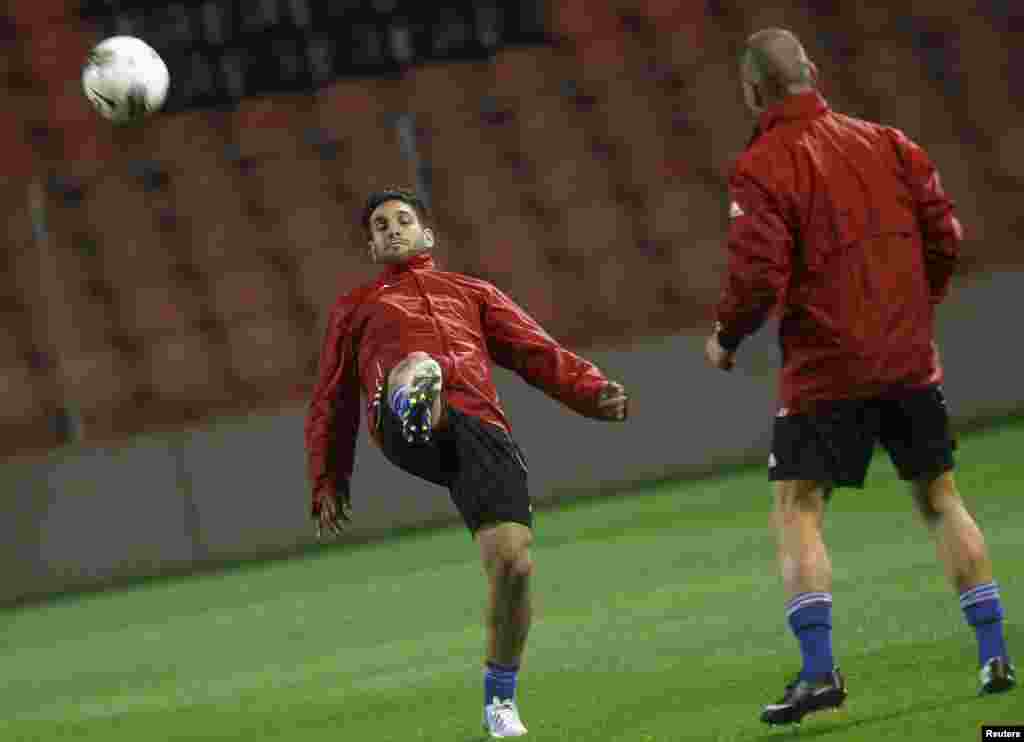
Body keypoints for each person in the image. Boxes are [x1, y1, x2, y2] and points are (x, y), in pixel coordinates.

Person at [705, 28, 1015, 726]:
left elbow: (756, 276)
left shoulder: (762, 165)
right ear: (811, 72)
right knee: (939, 496)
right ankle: (994, 654)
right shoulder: (889, 141)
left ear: (753, 92)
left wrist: (726, 338)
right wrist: (913, 309)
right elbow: (946, 236)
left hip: (826, 369)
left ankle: (819, 673)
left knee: (798, 505)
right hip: (908, 358)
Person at [305, 188, 629, 738]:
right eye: (380, 226)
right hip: (400, 416)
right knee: (417, 366)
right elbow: (332, 398)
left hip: (480, 431)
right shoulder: (357, 308)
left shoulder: (473, 294)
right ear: (371, 245)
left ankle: (499, 702)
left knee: (514, 566)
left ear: (427, 235)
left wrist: (591, 390)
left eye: (403, 220)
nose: (392, 229)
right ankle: (417, 407)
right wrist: (329, 476)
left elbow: (536, 350)